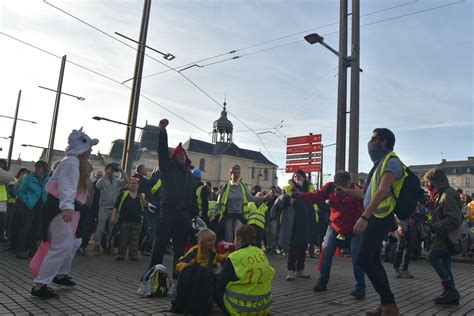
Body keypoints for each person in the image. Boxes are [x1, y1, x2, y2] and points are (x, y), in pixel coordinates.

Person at [31, 128, 98, 298]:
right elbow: (66, 186)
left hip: (67, 208)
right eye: (89, 148)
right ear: (82, 149)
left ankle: (58, 275)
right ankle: (40, 286)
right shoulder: (71, 163)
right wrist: (67, 206)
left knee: (71, 243)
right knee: (62, 245)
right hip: (61, 208)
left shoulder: (74, 162)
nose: (91, 151)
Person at [353, 128, 403, 315]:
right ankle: (386, 304)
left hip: (379, 217)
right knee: (372, 259)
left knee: (362, 258)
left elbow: (382, 192)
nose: (370, 143)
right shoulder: (380, 164)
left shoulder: (392, 162)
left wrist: (365, 216)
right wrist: (347, 191)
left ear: (383, 142)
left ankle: (389, 305)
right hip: (376, 216)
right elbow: (368, 195)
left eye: (373, 139)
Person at [297, 170, 366, 299]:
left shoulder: (357, 190)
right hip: (335, 228)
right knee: (327, 252)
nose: (340, 189)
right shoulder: (329, 187)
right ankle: (322, 282)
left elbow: (366, 199)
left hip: (354, 230)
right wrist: (301, 195)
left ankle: (360, 288)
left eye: (343, 186)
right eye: (337, 185)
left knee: (357, 256)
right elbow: (316, 196)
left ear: (349, 183)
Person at [149, 119, 197, 279]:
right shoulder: (167, 168)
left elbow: (192, 195)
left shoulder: (189, 176)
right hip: (168, 209)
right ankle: (153, 271)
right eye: (180, 154)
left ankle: (178, 271)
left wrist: (194, 214)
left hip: (183, 213)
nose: (183, 156)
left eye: (184, 154)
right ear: (175, 156)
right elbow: (162, 151)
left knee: (180, 246)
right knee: (161, 243)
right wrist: (163, 132)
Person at [423, 168, 463, 305]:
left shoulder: (448, 194)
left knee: (432, 257)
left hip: (446, 236)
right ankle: (450, 294)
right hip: (443, 235)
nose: (426, 185)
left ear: (435, 181)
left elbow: (453, 219)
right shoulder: (439, 194)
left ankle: (451, 291)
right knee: (445, 263)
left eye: (428, 182)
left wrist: (433, 226)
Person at [216, 225, 275, 315]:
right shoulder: (261, 253)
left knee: (214, 284)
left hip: (240, 309)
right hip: (263, 308)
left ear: (239, 240)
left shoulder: (234, 257)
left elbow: (221, 282)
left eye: (234, 238)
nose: (234, 241)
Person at [273, 170, 317, 281]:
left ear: (304, 177)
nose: (297, 177)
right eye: (295, 175)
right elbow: (282, 198)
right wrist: (289, 200)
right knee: (294, 247)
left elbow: (315, 199)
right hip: (294, 221)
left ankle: (300, 270)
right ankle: (290, 270)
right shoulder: (289, 187)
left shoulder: (309, 187)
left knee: (303, 246)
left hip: (307, 221)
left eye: (300, 176)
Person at [214, 165, 266, 242]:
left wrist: (264, 198)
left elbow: (250, 198)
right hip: (228, 214)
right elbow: (219, 202)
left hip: (239, 215)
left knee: (237, 235)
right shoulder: (225, 187)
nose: (236, 175)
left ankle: (236, 251)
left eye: (238, 173)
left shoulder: (242, 186)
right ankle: (229, 252)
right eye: (234, 173)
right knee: (228, 236)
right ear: (230, 174)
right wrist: (214, 214)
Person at [16, 160, 50, 259]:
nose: (37, 169)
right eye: (36, 167)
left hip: (42, 205)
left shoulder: (48, 178)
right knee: (25, 227)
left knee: (37, 228)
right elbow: (20, 191)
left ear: (44, 169)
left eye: (39, 167)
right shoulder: (29, 178)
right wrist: (27, 201)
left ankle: (32, 248)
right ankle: (20, 249)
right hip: (31, 205)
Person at [93, 163, 128, 255]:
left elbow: (126, 180)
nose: (111, 172)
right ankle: (96, 246)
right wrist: (105, 175)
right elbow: (97, 186)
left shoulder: (117, 181)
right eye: (110, 170)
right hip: (104, 208)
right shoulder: (103, 180)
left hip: (113, 210)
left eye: (113, 170)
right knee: (100, 229)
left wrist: (121, 170)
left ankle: (109, 247)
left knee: (111, 230)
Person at [112, 177, 147, 261]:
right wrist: (113, 216)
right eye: (131, 183)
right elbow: (116, 206)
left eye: (135, 183)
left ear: (138, 185)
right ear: (129, 185)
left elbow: (145, 206)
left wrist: (141, 198)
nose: (133, 185)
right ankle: (121, 254)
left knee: (134, 239)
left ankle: (133, 255)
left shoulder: (142, 195)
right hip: (125, 220)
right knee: (123, 238)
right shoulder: (123, 194)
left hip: (137, 221)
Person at [0, 159, 14, 242]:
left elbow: (9, 179)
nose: (1, 165)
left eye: (2, 164)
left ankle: (1, 236)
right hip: (3, 200)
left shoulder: (4, 174)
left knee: (3, 221)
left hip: (3, 201)